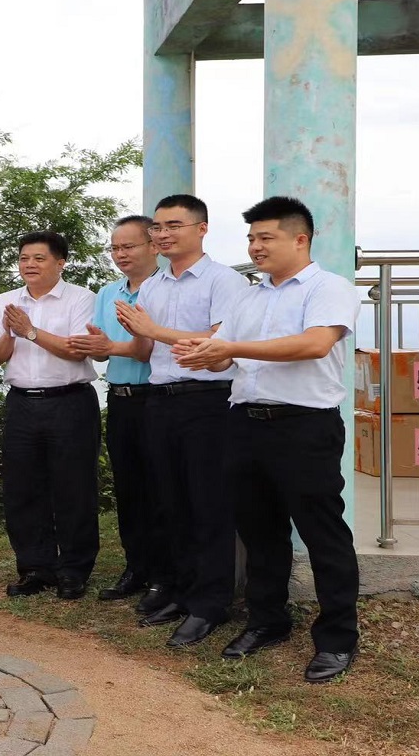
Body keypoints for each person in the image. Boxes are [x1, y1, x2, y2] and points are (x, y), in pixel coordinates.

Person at [173, 196, 360, 683]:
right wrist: (204, 353)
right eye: (251, 238)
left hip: (304, 426)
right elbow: (225, 356)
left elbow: (315, 344)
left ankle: (337, 637)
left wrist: (231, 346)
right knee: (259, 531)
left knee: (322, 533)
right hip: (245, 423)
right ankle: (267, 620)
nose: (255, 247)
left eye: (265, 237)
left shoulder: (328, 288)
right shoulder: (248, 297)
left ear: (300, 239)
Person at [115, 193, 249, 647]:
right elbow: (147, 348)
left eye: (174, 225)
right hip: (160, 399)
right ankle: (180, 590)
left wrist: (153, 331)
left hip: (207, 401)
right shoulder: (154, 284)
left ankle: (210, 604)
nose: (163, 234)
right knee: (169, 501)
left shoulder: (224, 280)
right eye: (157, 227)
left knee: (207, 503)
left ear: (202, 229)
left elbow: (218, 341)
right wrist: (128, 336)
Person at [0, 231, 101, 601]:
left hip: (70, 401)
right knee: (23, 488)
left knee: (74, 487)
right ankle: (35, 568)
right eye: (24, 258)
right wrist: (10, 333)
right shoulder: (5, 301)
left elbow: (77, 350)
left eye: (39, 258)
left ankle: (74, 570)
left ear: (60, 262)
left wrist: (30, 331)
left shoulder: (81, 298)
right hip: (21, 402)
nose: (29, 265)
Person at [69, 215, 163, 602]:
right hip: (121, 398)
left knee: (161, 488)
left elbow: (151, 348)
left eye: (128, 246)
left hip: (157, 398)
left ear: (153, 246)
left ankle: (164, 573)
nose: (120, 254)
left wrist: (110, 347)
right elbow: (102, 349)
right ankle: (135, 567)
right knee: (129, 487)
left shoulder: (165, 287)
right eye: (114, 248)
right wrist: (97, 346)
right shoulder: (108, 293)